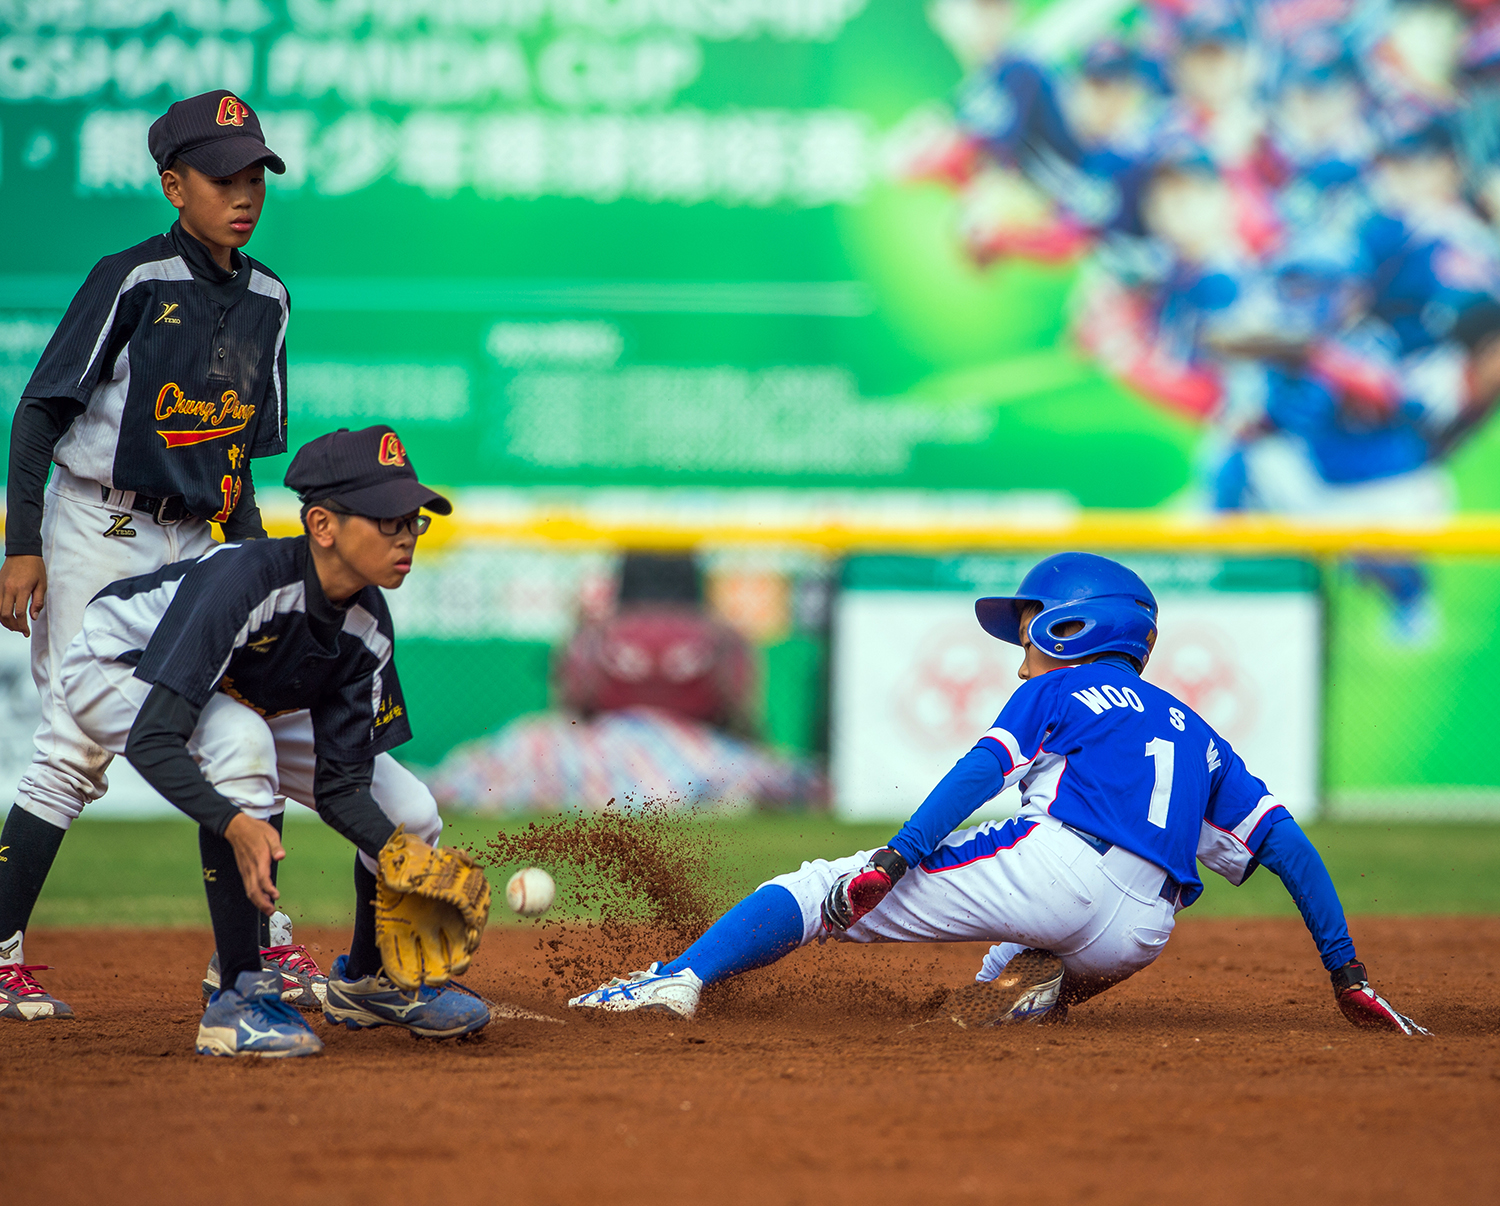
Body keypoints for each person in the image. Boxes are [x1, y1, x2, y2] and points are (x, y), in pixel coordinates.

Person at [569, 553, 1428, 1037]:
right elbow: (1288, 848)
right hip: (1141, 934)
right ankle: (1028, 988)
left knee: (816, 887)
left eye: (1030, 638)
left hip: (1058, 868)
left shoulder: (1061, 688)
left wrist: (894, 859)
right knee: (991, 991)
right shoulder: (1199, 734)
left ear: (1073, 627)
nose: (1022, 662)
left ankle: (673, 980)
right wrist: (1346, 972)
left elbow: (981, 772)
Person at [0, 89, 310, 1020]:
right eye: (220, 178)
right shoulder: (133, 280)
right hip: (95, 525)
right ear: (175, 187)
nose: (242, 194)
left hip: (193, 538)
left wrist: (258, 571)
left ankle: (255, 945)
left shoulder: (269, 299)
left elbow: (238, 461)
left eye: (254, 176)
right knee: (76, 744)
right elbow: (39, 412)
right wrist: (22, 545)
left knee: (243, 719)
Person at [58, 426, 491, 1055]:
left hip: (240, 692)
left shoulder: (366, 625)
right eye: (386, 519)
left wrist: (405, 858)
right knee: (241, 739)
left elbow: (342, 787)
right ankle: (237, 995)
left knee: (412, 812)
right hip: (117, 665)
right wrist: (234, 823)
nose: (405, 536)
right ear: (323, 525)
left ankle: (370, 979)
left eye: (413, 522)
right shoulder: (247, 580)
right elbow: (154, 739)